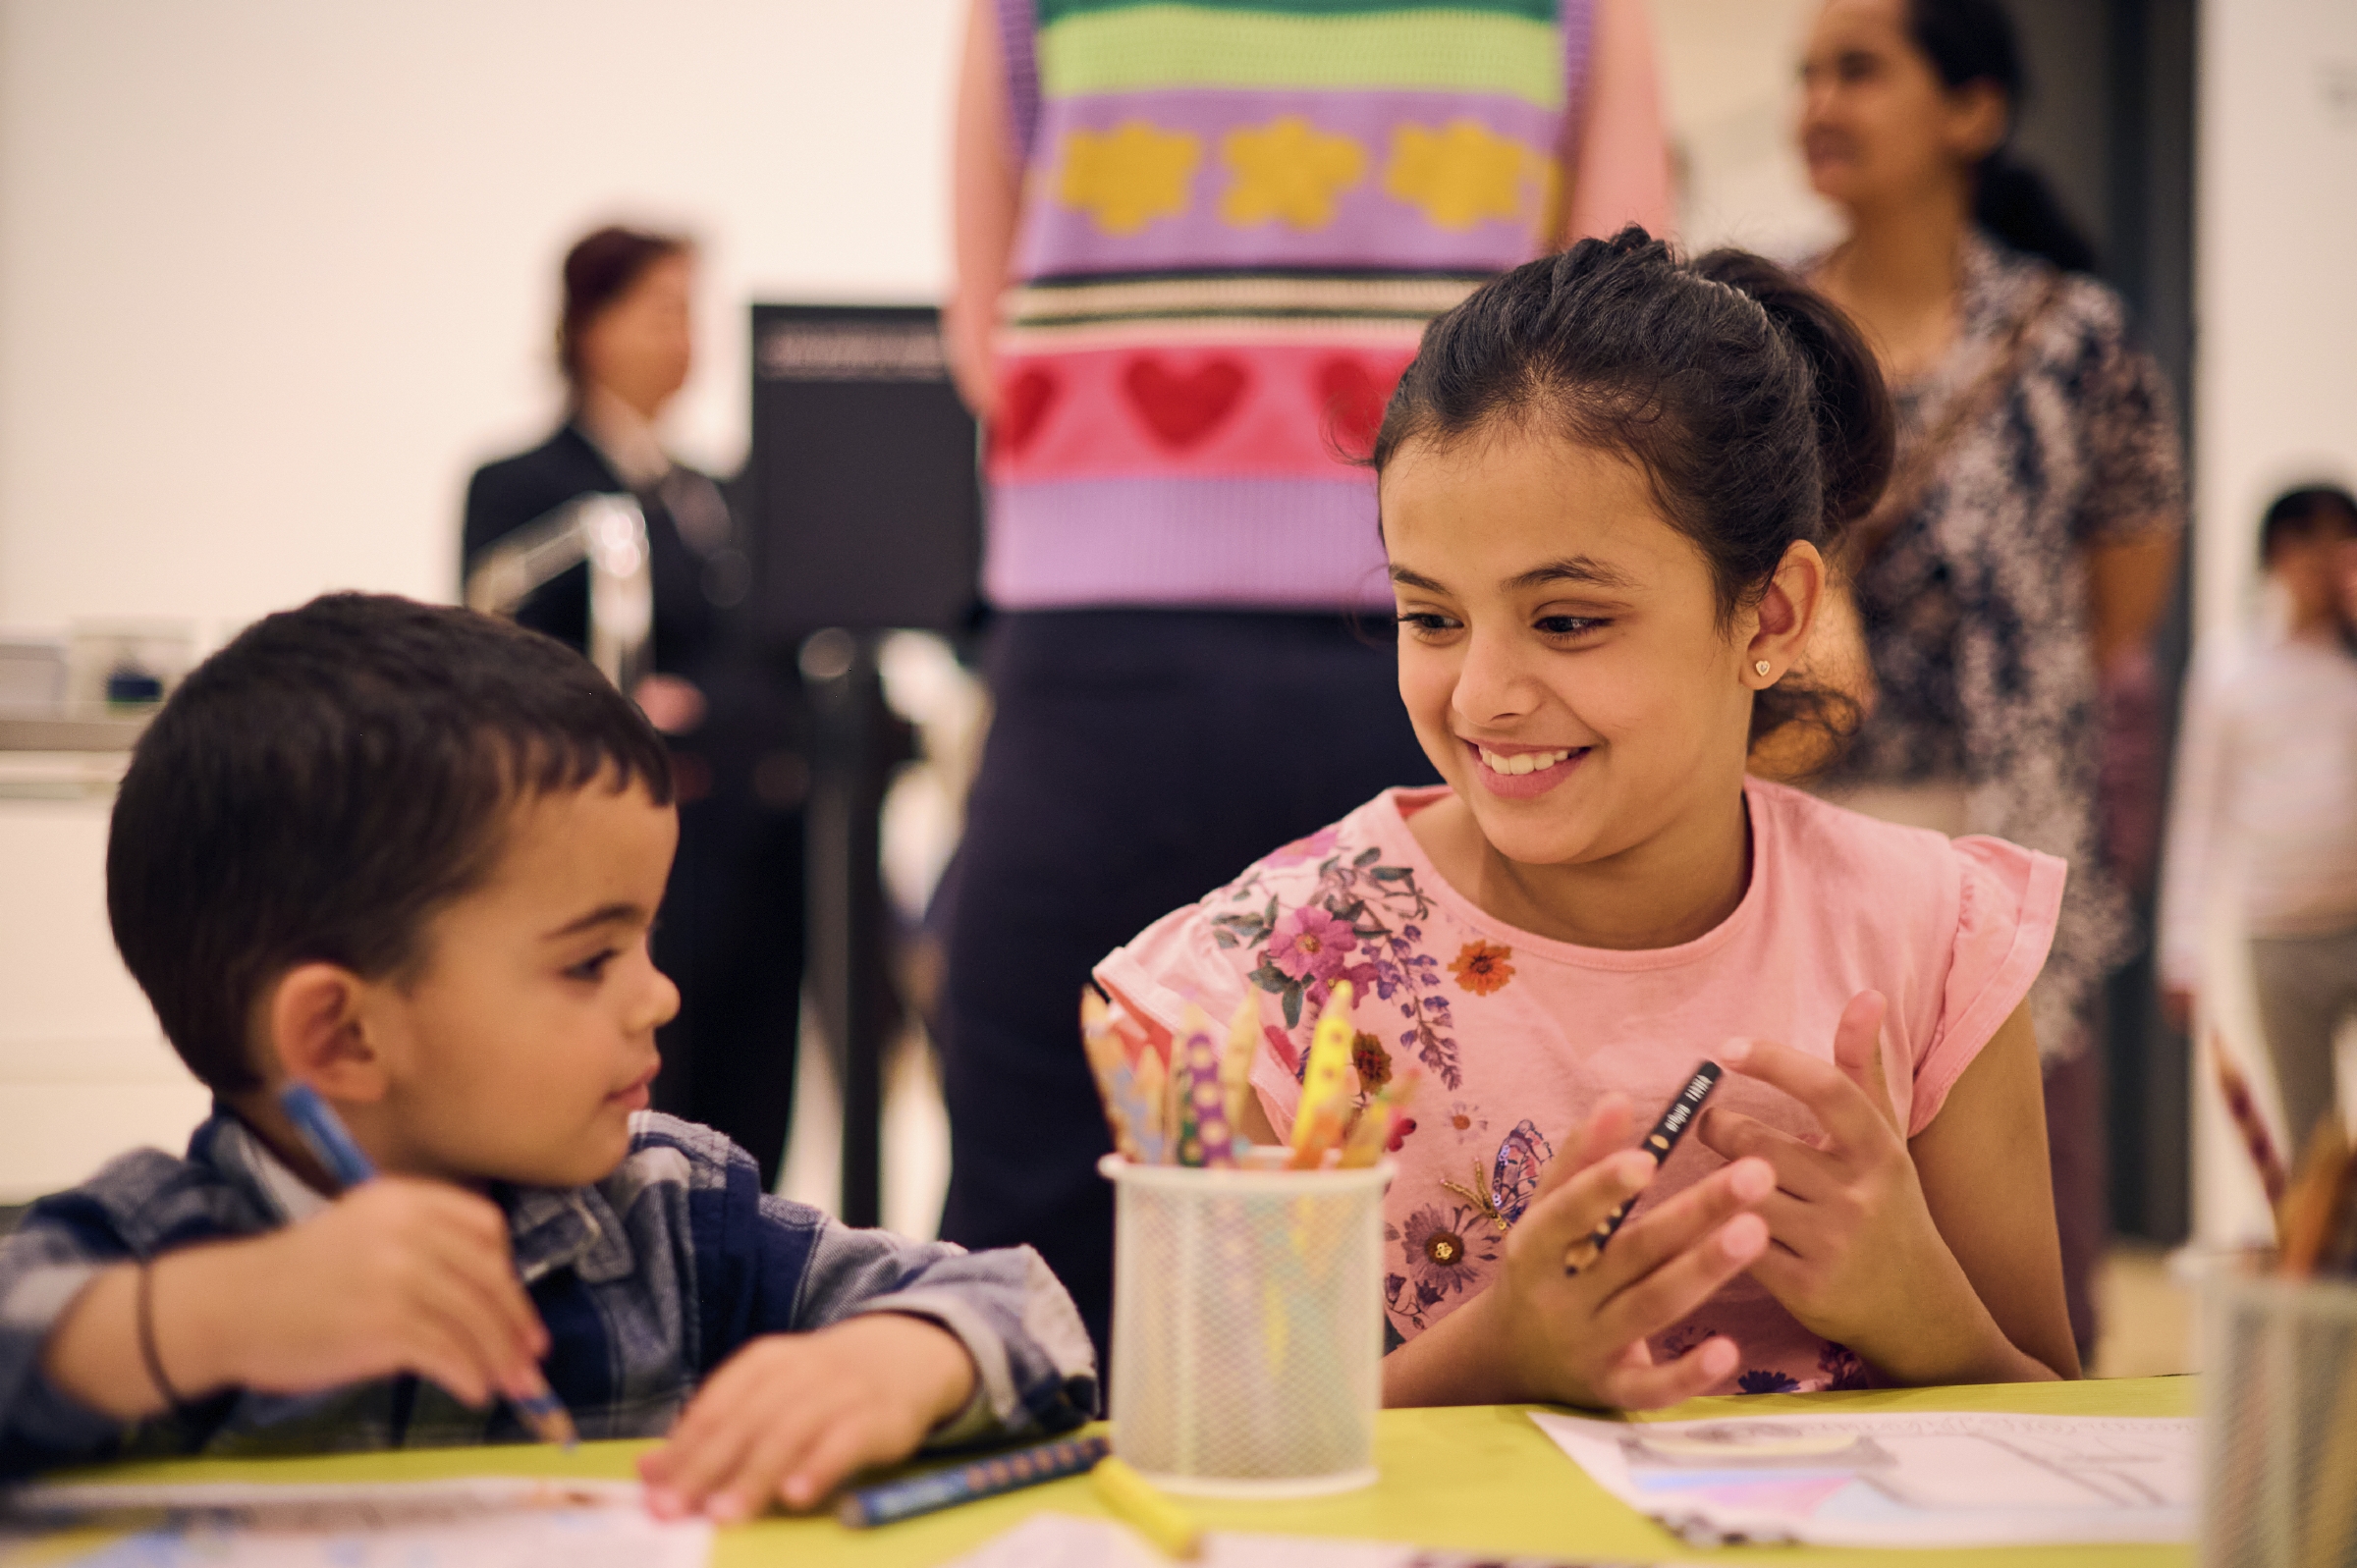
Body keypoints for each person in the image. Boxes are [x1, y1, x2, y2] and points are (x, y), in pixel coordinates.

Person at [1097, 231, 2079, 1404]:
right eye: (1432, 618)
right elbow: (1216, 1447)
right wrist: (1498, 1352)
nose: (1482, 696)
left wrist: (1923, 1309)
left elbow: (2056, 1420)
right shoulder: (1276, 980)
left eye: (1565, 621)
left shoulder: (1934, 939)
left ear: (1770, 615)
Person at [940, 0, 1677, 1369]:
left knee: (1046, 1199)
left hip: (1107, 628)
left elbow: (986, 335)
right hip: (1446, 628)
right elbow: (1622, 316)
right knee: (1433, 1170)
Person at [0, 596, 1094, 1509]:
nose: (657, 992)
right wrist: (205, 1319)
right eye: (589, 960)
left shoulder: (669, 1214)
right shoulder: (152, 1245)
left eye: (646, 939)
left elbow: (1030, 1307)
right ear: (341, 1033)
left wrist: (902, 1358)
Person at [1793, 0, 2184, 1359]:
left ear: (1973, 110)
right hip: (1792, 823)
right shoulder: (1754, 330)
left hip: (1998, 833)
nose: (1819, 105)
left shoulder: (2077, 340)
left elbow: (2121, 603)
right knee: (1795, 1166)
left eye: (1860, 71)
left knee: (2022, 1217)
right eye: (1806, 76)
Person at [465, 227, 804, 1188]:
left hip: (759, 849)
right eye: (661, 312)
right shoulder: (526, 487)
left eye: (692, 314)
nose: (685, 339)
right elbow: (506, 660)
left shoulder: (720, 490)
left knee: (754, 1108)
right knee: (654, 1104)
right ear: (589, 327)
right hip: (637, 855)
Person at [2160, 486, 2357, 1140]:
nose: (2322, 557)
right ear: (2273, 552)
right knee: (2313, 1134)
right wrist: (2182, 950)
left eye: (2339, 538)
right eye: (2305, 538)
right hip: (2277, 931)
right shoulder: (2229, 665)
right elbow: (2197, 813)